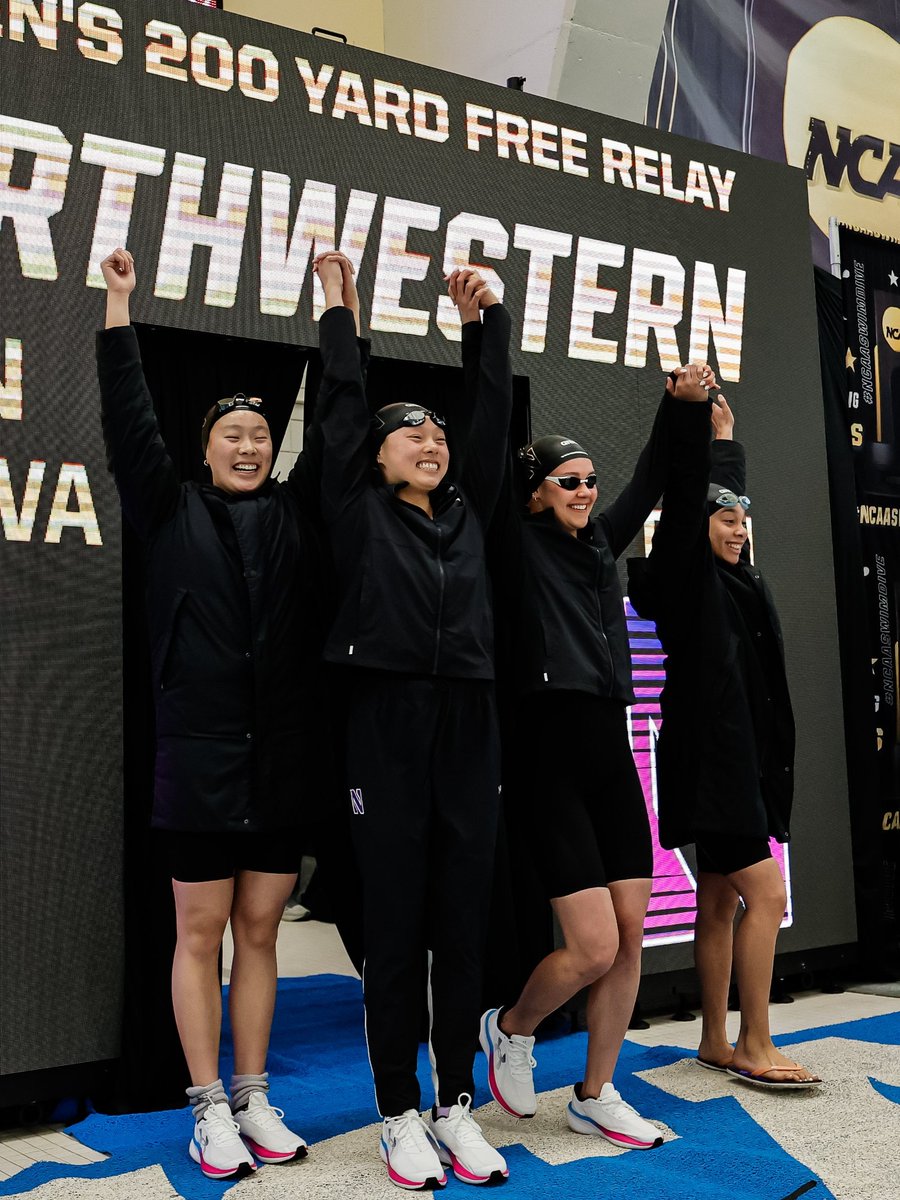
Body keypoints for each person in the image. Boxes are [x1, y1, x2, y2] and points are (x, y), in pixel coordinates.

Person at [98, 248, 322, 1179]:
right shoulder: (166, 506)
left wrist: (339, 311)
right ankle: (205, 1106)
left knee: (262, 934)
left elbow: (342, 430)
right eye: (231, 432)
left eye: (261, 435)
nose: (247, 444)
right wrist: (118, 306)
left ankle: (255, 1095)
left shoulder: (297, 518)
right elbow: (127, 423)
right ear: (204, 448)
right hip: (196, 762)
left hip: (276, 764)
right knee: (199, 934)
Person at [314, 252, 512, 1189]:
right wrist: (341, 313)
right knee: (395, 926)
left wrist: (482, 324)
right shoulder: (355, 511)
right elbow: (345, 407)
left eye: (435, 430)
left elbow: (487, 416)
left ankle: (456, 1104)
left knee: (461, 924)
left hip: (469, 718)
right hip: (383, 721)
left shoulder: (470, 512)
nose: (430, 439)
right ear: (378, 457)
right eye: (410, 433)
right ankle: (398, 1110)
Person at [480, 363, 716, 1147]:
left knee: (629, 935)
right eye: (568, 481)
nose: (584, 492)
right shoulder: (512, 545)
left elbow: (653, 479)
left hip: (608, 753)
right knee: (591, 945)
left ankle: (596, 1091)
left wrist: (677, 407)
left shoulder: (600, 545)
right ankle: (512, 1026)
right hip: (544, 757)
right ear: (537, 489)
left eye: (588, 481)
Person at [627, 392, 822, 1090]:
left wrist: (728, 443)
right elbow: (683, 519)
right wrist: (700, 447)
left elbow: (715, 507)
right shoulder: (687, 579)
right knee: (764, 897)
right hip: (717, 767)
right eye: (726, 520)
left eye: (745, 520)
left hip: (734, 762)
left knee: (718, 898)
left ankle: (713, 1037)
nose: (739, 530)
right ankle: (756, 1042)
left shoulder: (738, 579)